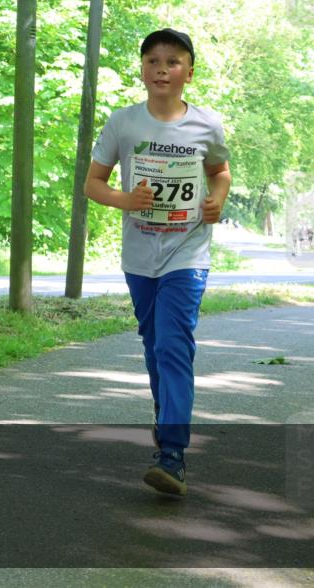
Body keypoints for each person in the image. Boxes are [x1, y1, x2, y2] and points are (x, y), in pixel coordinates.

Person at [84, 29, 231, 496]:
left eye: (172, 62)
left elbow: (219, 173)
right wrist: (126, 199)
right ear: (142, 69)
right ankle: (165, 412)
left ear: (189, 71)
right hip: (140, 255)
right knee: (153, 344)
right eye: (152, 61)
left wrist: (217, 201)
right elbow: (92, 183)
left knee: (173, 344)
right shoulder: (124, 124)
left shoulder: (206, 125)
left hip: (188, 252)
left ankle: (172, 453)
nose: (161, 69)